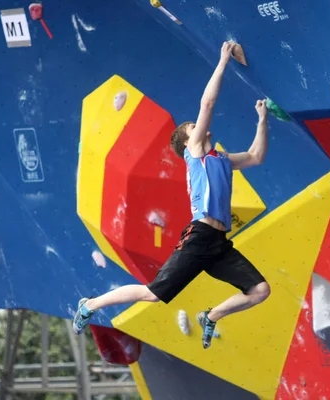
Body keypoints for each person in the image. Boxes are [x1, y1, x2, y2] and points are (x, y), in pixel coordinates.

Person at [73, 41, 271, 349]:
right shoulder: (195, 153)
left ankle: (211, 316)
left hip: (218, 243)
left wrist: (262, 119)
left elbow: (257, 156)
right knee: (152, 294)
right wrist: (222, 62)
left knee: (260, 290)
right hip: (200, 236)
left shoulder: (221, 159)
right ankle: (90, 304)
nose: (198, 124)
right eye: (192, 126)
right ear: (188, 142)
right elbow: (207, 105)